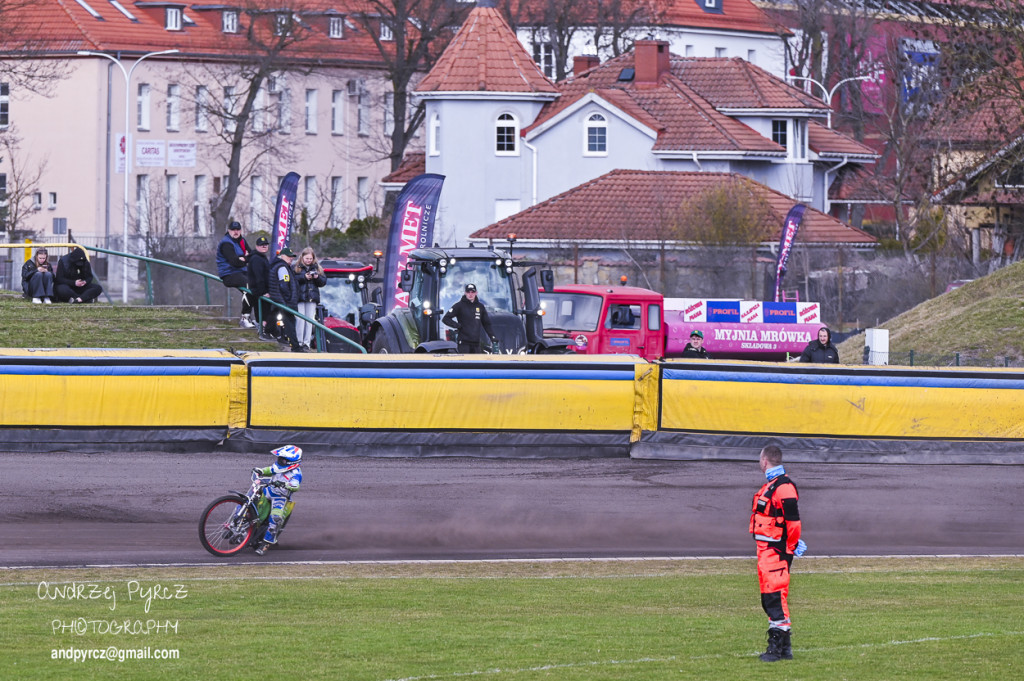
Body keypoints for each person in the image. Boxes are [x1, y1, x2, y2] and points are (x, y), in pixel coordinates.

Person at [750, 444, 807, 662]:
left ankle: (776, 648)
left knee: (774, 598)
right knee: (772, 597)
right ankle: (785, 648)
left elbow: (793, 523)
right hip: (768, 552)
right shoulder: (772, 485)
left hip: (776, 552)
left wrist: (789, 549)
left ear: (765, 461)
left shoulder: (783, 487)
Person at [252, 444, 303, 556]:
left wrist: (287, 485)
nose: (279, 461)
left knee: (275, 519)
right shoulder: (278, 466)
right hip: (267, 491)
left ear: (291, 463)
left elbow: (295, 486)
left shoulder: (296, 474)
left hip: (279, 497)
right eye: (279, 458)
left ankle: (265, 544)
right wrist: (261, 471)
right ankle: (235, 523)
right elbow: (270, 470)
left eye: (283, 460)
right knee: (249, 501)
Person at [216, 220, 255, 328]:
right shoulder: (226, 243)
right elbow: (235, 262)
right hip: (229, 274)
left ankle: (257, 320)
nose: (236, 232)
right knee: (248, 286)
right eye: (233, 230)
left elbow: (252, 255)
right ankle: (244, 318)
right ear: (229, 231)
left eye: (238, 229)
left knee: (258, 286)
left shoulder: (241, 240)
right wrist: (244, 258)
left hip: (242, 272)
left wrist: (244, 258)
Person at [442, 283, 497, 353]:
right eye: (468, 292)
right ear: (465, 293)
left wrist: (493, 337)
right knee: (464, 363)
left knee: (477, 363)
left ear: (476, 293)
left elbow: (486, 324)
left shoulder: (480, 307)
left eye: (472, 292)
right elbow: (446, 318)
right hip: (463, 343)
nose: (470, 294)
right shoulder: (459, 305)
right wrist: (457, 325)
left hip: (476, 343)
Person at [268, 246, 304, 352]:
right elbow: (284, 285)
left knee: (277, 319)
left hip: (280, 299)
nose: (291, 258)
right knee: (290, 323)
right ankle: (296, 347)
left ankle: (292, 344)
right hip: (284, 301)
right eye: (288, 256)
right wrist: (288, 299)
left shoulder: (280, 266)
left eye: (292, 256)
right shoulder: (282, 267)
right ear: (281, 256)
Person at [294, 247, 326, 350]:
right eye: (307, 258)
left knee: (309, 320)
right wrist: (304, 277)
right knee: (300, 320)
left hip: (312, 298)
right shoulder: (296, 268)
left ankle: (306, 343)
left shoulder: (317, 268)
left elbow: (323, 282)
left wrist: (317, 277)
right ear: (302, 257)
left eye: (310, 258)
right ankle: (299, 341)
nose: (309, 260)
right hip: (300, 297)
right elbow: (293, 280)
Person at [247, 236, 276, 341]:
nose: (264, 246)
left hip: (264, 291)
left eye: (265, 245)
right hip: (260, 292)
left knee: (267, 312)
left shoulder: (262, 257)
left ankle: (265, 331)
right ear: (257, 246)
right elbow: (258, 277)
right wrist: (263, 292)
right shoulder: (256, 259)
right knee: (264, 313)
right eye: (261, 245)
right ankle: (262, 332)